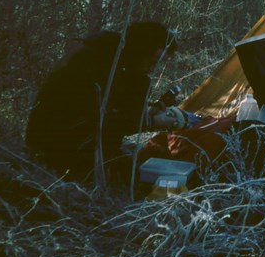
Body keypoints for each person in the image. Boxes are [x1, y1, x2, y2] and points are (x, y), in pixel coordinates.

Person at [25, 21, 178, 181]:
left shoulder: (114, 60)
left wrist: (146, 114)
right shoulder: (95, 63)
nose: (152, 69)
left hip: (73, 142)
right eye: (151, 62)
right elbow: (100, 120)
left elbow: (115, 111)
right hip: (56, 148)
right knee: (146, 178)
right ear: (139, 51)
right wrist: (151, 122)